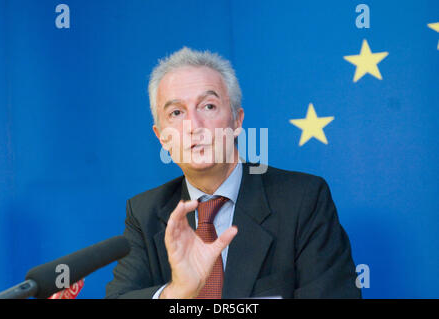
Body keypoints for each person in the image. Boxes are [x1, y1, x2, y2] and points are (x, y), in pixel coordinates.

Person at [105, 47, 361, 299]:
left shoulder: (303, 200)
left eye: (208, 106)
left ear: (236, 120)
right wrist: (177, 293)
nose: (194, 126)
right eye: (176, 112)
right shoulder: (144, 213)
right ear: (161, 137)